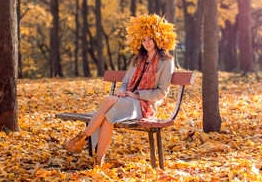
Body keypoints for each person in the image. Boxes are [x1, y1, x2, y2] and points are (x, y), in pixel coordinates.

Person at [62, 14, 176, 167]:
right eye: (144, 39)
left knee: (109, 101)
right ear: (139, 41)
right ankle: (98, 161)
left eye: (150, 38)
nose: (147, 43)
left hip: (144, 105)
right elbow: (126, 83)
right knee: (109, 117)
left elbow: (161, 93)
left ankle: (80, 139)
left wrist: (136, 95)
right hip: (126, 100)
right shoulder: (137, 59)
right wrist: (121, 91)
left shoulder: (166, 62)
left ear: (158, 39)